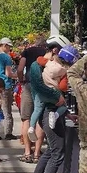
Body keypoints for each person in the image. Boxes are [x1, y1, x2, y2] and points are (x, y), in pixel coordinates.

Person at [25, 35, 72, 173]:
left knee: (51, 150)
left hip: (47, 111)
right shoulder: (45, 68)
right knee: (58, 152)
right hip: (50, 112)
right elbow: (46, 90)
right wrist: (58, 98)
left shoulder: (41, 66)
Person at [28, 45, 77, 137]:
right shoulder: (63, 71)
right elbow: (62, 87)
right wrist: (59, 95)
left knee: (37, 110)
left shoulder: (46, 63)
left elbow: (39, 59)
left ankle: (31, 127)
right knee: (64, 106)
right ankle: (55, 115)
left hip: (39, 96)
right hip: (53, 97)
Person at [17, 36, 49, 164]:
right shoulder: (46, 53)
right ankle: (37, 153)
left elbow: (20, 69)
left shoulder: (27, 52)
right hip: (41, 86)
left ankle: (27, 152)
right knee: (39, 119)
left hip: (28, 85)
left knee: (26, 119)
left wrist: (21, 80)